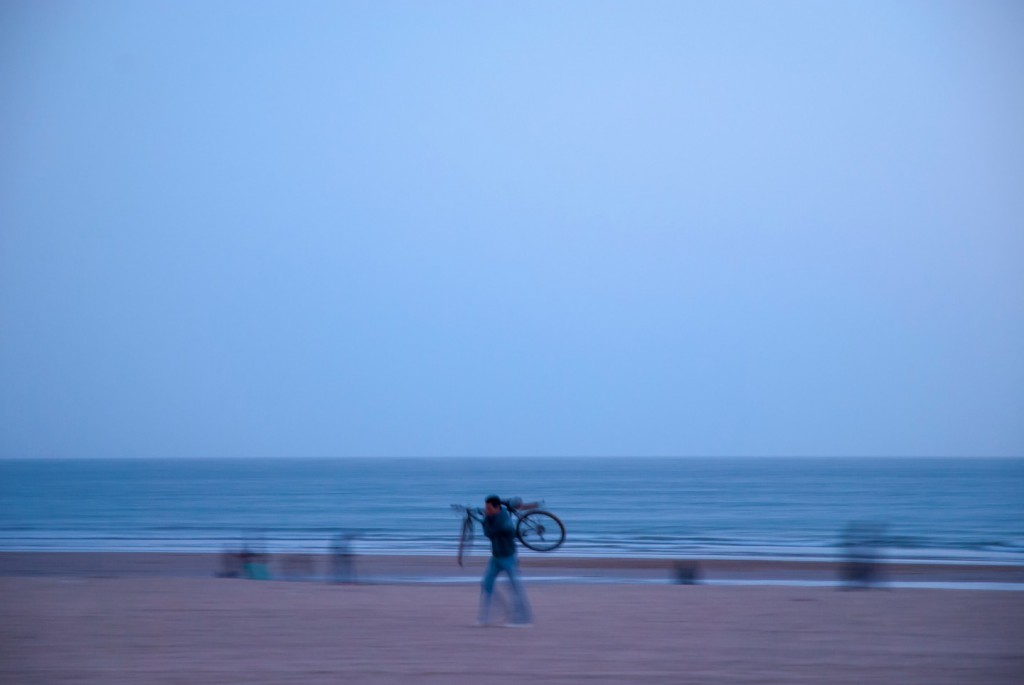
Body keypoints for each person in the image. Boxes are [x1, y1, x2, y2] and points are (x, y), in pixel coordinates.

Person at [478, 494, 533, 627]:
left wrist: (485, 520)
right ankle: (486, 618)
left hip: (508, 557)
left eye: (489, 509)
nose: (487, 511)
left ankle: (523, 620)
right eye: (486, 508)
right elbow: (488, 532)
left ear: (498, 508)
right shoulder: (492, 516)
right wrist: (486, 518)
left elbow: (491, 532)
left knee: (515, 588)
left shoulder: (504, 520)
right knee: (486, 584)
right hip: (496, 557)